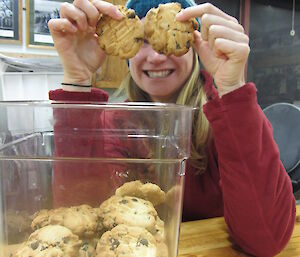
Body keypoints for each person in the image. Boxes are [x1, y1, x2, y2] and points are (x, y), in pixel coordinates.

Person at [47, 0, 296, 256]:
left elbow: (267, 238)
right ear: (127, 54)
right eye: (143, 40)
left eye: (164, 39)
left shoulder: (231, 118)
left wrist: (233, 88)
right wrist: (77, 81)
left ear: (194, 47)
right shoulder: (114, 124)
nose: (156, 56)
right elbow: (79, 227)